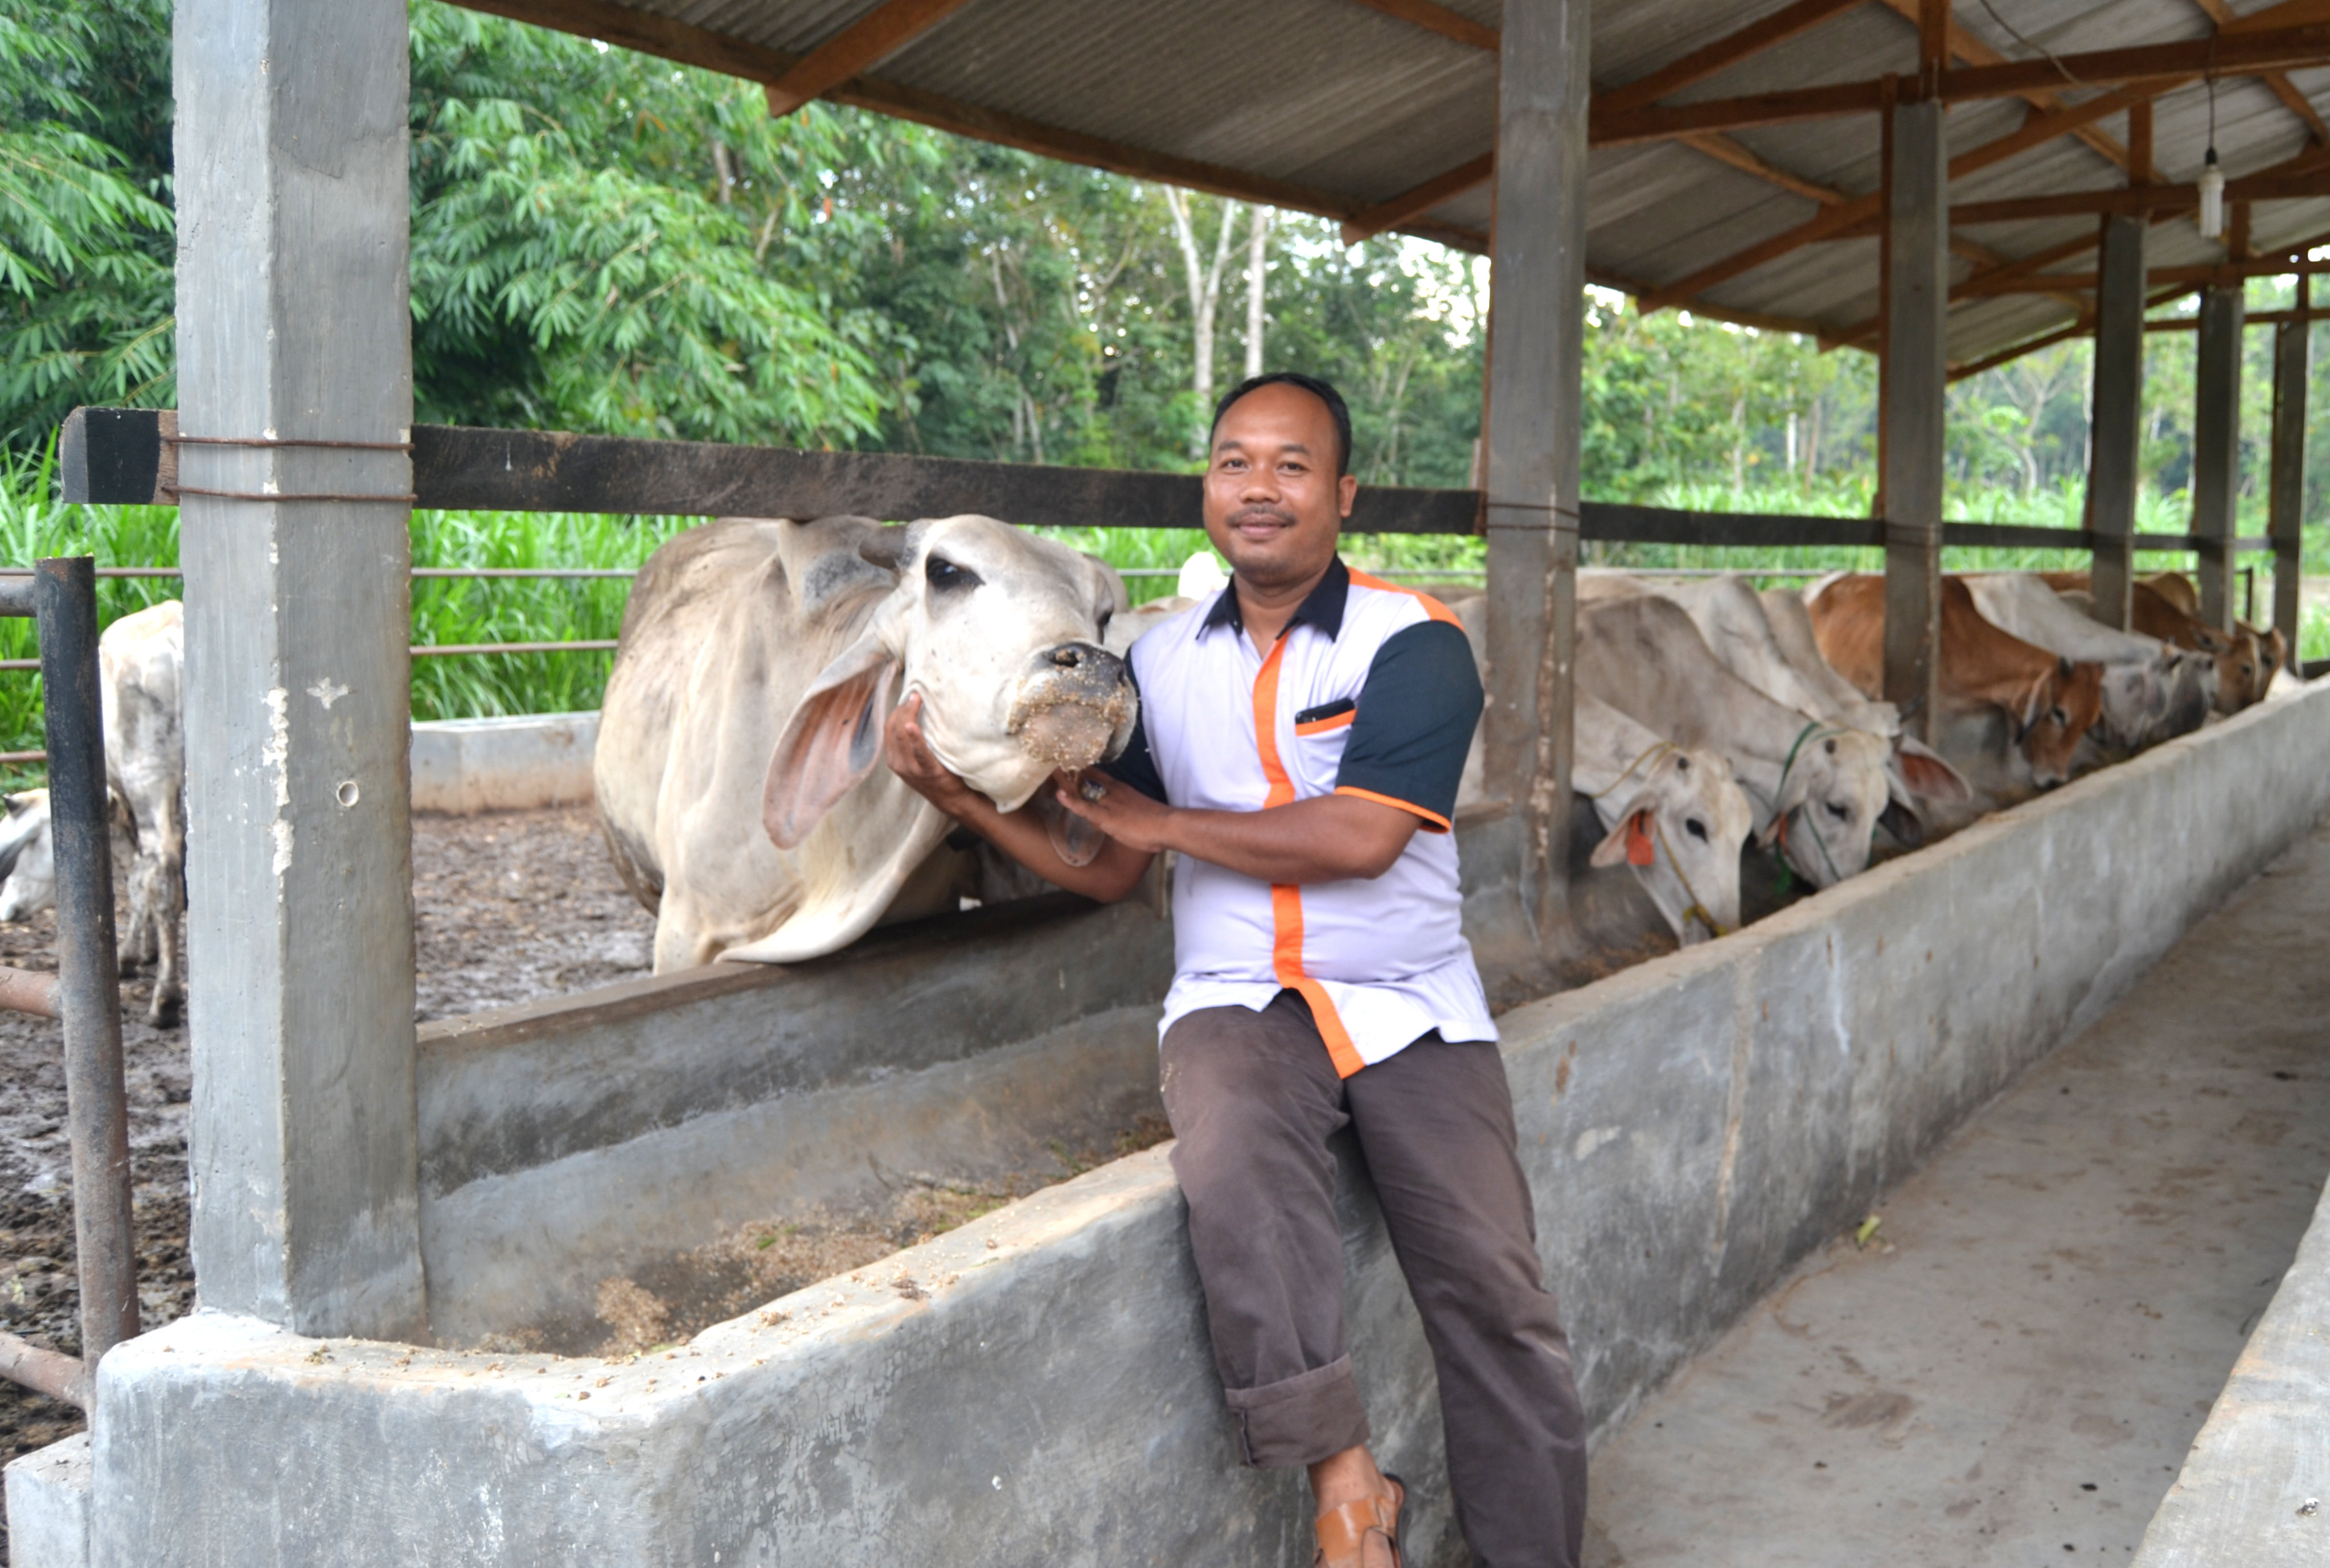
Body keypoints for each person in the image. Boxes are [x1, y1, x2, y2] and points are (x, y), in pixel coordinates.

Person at [884, 372, 1586, 1568]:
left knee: (1496, 1292)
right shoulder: (1152, 663)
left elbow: (1362, 840)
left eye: (1292, 465)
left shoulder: (1416, 641)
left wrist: (1164, 829)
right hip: (1236, 1000)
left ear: (1343, 495)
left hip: (1408, 1004)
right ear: (1208, 490)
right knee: (1233, 1162)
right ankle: (1346, 1480)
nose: (1259, 489)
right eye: (1234, 463)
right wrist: (957, 800)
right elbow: (1104, 864)